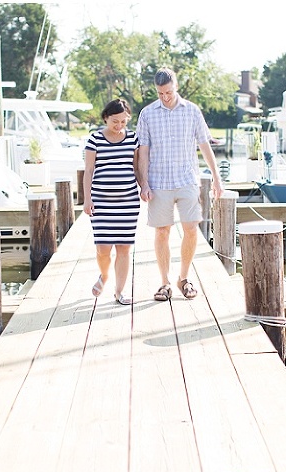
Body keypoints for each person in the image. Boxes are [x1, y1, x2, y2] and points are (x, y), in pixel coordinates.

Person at [136, 67, 224, 301]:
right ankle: (164, 283)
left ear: (176, 86)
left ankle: (183, 278)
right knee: (162, 231)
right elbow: (142, 152)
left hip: (187, 179)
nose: (165, 97)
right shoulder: (147, 114)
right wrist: (143, 183)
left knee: (191, 229)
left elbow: (205, 145)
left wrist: (216, 177)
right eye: (160, 93)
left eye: (168, 92)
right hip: (158, 182)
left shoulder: (192, 111)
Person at [83, 98, 140, 305]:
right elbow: (89, 171)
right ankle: (104, 275)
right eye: (115, 121)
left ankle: (119, 291)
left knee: (124, 247)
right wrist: (87, 199)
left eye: (124, 122)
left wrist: (145, 188)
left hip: (128, 203)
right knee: (103, 249)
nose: (119, 126)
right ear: (106, 118)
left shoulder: (134, 139)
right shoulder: (94, 139)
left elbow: (136, 168)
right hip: (101, 202)